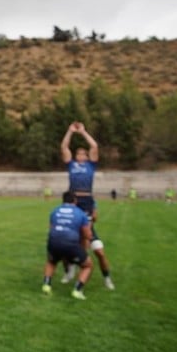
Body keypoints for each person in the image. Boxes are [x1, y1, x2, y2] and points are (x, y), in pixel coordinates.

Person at [60, 121, 115, 290]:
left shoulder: (91, 165)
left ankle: (106, 278)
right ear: (76, 156)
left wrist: (83, 132)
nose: (82, 155)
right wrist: (70, 131)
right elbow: (64, 147)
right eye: (79, 154)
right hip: (72, 202)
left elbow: (94, 145)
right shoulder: (71, 165)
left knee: (95, 247)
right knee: (64, 241)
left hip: (87, 202)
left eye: (84, 154)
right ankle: (69, 270)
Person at [42, 191, 93, 300]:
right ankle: (77, 290)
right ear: (75, 200)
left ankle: (46, 285)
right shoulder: (80, 213)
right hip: (70, 243)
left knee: (51, 261)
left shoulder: (55, 211)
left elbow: (51, 228)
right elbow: (87, 234)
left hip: (53, 241)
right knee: (87, 265)